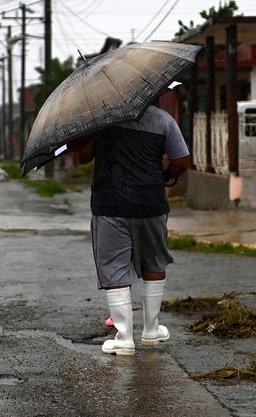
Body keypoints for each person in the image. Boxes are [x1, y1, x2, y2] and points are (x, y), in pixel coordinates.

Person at [69, 99, 190, 356]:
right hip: (151, 204)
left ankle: (124, 338)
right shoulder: (163, 120)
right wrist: (165, 175)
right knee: (154, 262)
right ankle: (151, 330)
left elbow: (83, 158)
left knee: (114, 266)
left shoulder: (101, 120)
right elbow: (182, 160)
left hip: (109, 205)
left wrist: (92, 132)